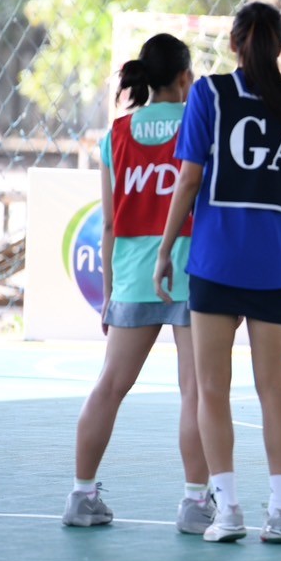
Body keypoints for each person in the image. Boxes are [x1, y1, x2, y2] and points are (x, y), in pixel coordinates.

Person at [155, 2, 281, 544]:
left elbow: (188, 180)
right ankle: (280, 512)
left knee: (212, 389)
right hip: (274, 265)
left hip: (215, 261)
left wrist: (166, 248)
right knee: (273, 388)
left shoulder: (209, 94)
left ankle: (228, 510)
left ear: (233, 44)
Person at [61, 34, 212, 534]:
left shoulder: (117, 133)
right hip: (189, 271)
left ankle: (81, 495)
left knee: (109, 387)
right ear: (186, 78)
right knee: (195, 392)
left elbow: (108, 222)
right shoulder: (199, 123)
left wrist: (109, 293)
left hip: (131, 275)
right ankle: (196, 504)